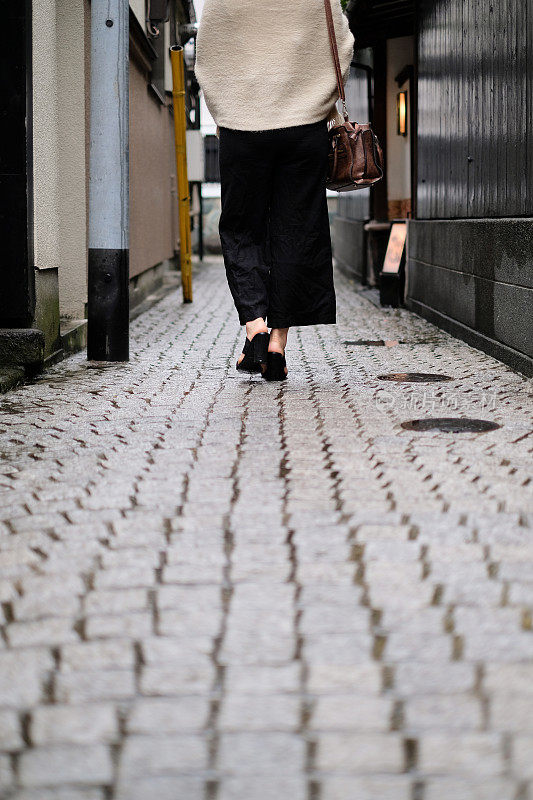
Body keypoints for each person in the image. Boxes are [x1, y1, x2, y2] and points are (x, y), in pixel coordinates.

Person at [195, 0, 354, 380]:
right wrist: (318, 98)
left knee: (240, 227)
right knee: (296, 230)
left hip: (242, 126)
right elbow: (343, 45)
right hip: (304, 125)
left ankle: (255, 328)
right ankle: (278, 344)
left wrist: (224, 113)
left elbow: (208, 56)